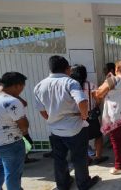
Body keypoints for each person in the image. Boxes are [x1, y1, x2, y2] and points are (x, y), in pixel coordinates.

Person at [34, 55, 99, 190]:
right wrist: (84, 116)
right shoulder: (70, 82)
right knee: (79, 157)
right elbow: (82, 101)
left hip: (54, 129)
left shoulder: (39, 86)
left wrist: (51, 119)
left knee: (59, 158)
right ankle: (83, 183)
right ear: (67, 69)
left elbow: (41, 110)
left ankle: (62, 184)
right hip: (74, 128)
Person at [0, 72, 29, 190]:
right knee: (13, 173)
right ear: (16, 85)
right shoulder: (11, 101)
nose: (21, 91)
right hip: (11, 144)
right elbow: (24, 126)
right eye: (21, 88)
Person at [94, 60, 121, 174]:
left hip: (114, 117)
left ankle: (119, 166)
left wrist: (104, 84)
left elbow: (98, 94)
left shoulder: (112, 80)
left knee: (116, 142)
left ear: (117, 69)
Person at [70, 64, 108, 165]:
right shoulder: (91, 85)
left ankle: (86, 158)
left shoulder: (69, 86)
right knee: (98, 136)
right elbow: (98, 100)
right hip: (91, 115)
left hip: (76, 116)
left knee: (81, 138)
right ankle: (98, 156)